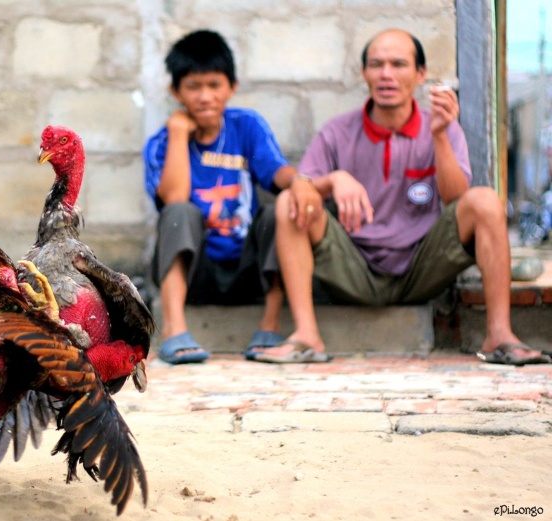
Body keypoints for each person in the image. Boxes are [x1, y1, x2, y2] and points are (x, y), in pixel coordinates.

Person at [250, 28, 551, 365]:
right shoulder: (338, 131)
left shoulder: (443, 126)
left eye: (398, 64)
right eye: (376, 65)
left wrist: (438, 137)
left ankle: (499, 335)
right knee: (291, 203)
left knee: (483, 200)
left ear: (420, 74)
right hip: (353, 267)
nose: (386, 74)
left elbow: (456, 199)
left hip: (421, 267)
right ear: (364, 73)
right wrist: (333, 180)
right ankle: (307, 335)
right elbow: (301, 186)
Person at [143, 29, 319, 364]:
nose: (205, 96)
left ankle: (269, 325)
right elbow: (175, 198)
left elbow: (274, 170)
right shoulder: (162, 143)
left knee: (273, 214)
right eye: (194, 87)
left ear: (232, 87)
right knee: (178, 212)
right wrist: (180, 134)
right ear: (175, 91)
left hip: (248, 268)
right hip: (197, 270)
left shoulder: (246, 126)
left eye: (214, 85)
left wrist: (299, 180)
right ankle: (175, 330)